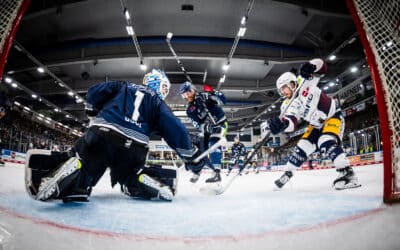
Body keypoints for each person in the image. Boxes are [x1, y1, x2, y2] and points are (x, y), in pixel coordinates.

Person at [25, 69, 206, 202]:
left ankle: (76, 175)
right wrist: (190, 156)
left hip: (103, 133)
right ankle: (139, 180)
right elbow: (176, 130)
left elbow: (95, 91)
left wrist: (91, 110)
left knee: (87, 163)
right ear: (162, 88)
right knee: (129, 174)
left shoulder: (124, 85)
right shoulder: (157, 103)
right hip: (135, 146)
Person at [262, 58, 361, 190]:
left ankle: (347, 173)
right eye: (281, 90)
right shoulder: (287, 105)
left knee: (325, 141)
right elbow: (292, 122)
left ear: (292, 83)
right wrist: (283, 125)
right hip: (315, 125)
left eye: (284, 88)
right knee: (302, 146)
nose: (283, 92)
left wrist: (311, 66)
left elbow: (322, 67)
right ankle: (287, 173)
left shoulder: (303, 80)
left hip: (332, 116)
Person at [179, 81, 227, 183]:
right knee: (201, 151)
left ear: (193, 90)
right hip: (208, 129)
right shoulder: (190, 110)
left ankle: (216, 173)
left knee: (214, 143)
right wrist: (208, 128)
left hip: (220, 123)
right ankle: (197, 171)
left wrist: (213, 93)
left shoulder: (205, 96)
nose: (188, 96)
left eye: (189, 92)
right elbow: (198, 124)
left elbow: (223, 100)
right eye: (185, 95)